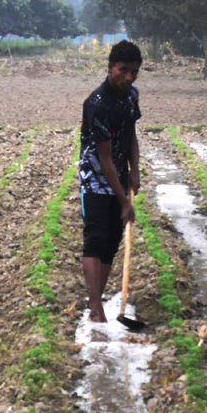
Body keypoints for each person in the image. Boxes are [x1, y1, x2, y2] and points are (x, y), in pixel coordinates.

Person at [78, 40, 142, 324]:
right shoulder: (96, 104)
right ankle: (95, 307)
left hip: (119, 175)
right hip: (95, 179)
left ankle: (97, 299)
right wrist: (123, 201)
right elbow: (104, 160)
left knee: (112, 243)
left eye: (134, 72)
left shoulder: (131, 96)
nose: (128, 78)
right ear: (110, 67)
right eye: (123, 70)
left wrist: (135, 170)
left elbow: (131, 135)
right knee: (96, 238)